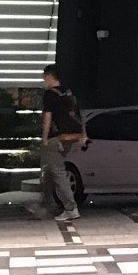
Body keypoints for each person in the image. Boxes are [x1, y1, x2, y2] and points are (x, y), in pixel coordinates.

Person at [34, 64, 85, 223]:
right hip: (71, 137)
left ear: (50, 76)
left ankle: (71, 208)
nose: (44, 80)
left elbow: (47, 117)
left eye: (45, 77)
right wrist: (83, 134)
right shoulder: (68, 92)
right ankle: (45, 203)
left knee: (57, 172)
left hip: (56, 137)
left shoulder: (50, 94)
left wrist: (44, 138)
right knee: (50, 170)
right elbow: (78, 114)